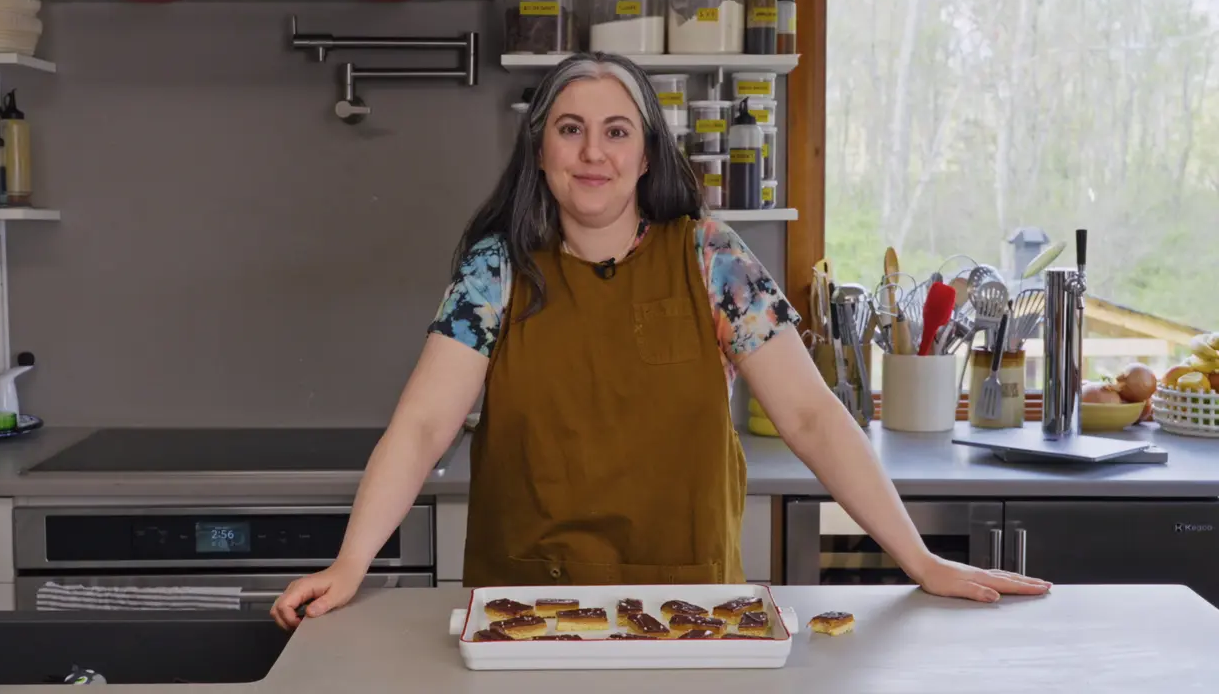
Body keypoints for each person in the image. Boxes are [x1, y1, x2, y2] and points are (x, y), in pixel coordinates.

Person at [270, 52, 1050, 630]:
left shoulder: (711, 257)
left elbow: (812, 417)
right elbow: (421, 426)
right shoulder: (496, 270)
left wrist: (920, 561)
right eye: (570, 131)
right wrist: (351, 564)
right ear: (540, 150)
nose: (593, 153)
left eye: (617, 132)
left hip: (691, 604)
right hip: (526, 607)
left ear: (647, 154)